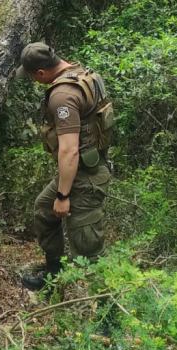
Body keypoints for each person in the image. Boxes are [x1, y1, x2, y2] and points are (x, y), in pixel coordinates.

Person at [16, 42, 115, 291]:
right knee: (44, 209)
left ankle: (107, 315)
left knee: (88, 245)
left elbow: (69, 150)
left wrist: (63, 195)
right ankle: (54, 276)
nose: (34, 81)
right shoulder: (82, 73)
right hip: (85, 167)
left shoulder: (62, 96)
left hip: (84, 175)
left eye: (31, 76)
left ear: (41, 73)